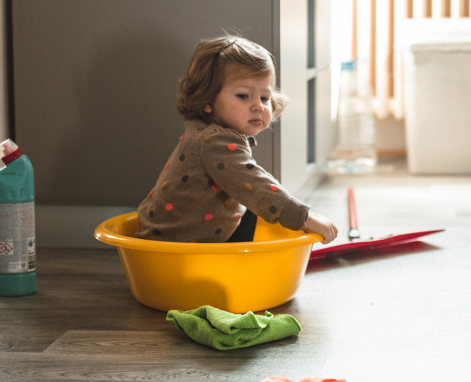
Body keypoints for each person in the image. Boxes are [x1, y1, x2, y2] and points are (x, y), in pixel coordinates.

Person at [136, 35, 338, 245]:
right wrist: (303, 217)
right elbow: (255, 184)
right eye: (243, 96)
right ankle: (246, 266)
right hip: (176, 248)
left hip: (181, 236)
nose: (258, 106)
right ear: (208, 100)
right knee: (259, 194)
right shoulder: (214, 142)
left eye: (264, 98)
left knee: (256, 203)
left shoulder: (208, 133)